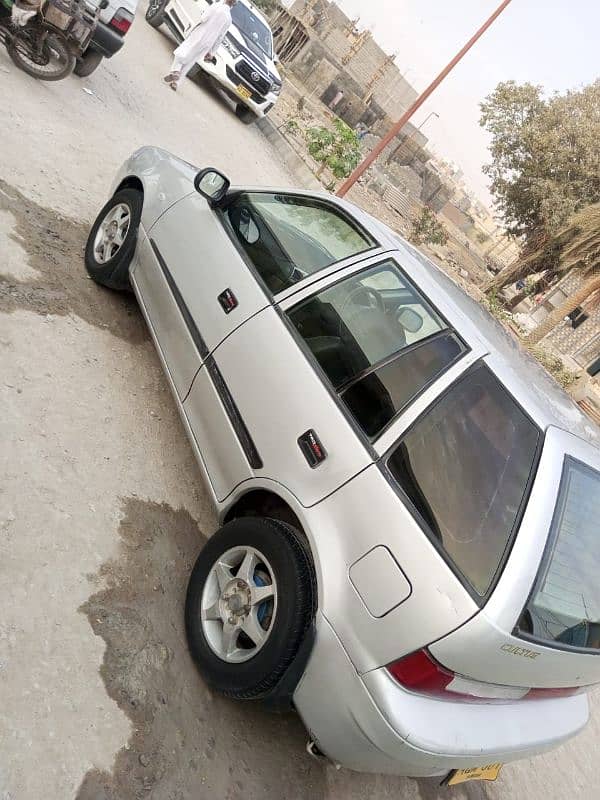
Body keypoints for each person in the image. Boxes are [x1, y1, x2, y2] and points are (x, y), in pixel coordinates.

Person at [163, 0, 237, 92]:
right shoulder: (229, 19)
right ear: (233, 4)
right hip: (208, 43)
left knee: (181, 52)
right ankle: (176, 83)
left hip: (199, 34)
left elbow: (203, 18)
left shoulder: (215, 6)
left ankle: (176, 71)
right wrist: (212, 52)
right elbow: (220, 37)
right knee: (191, 61)